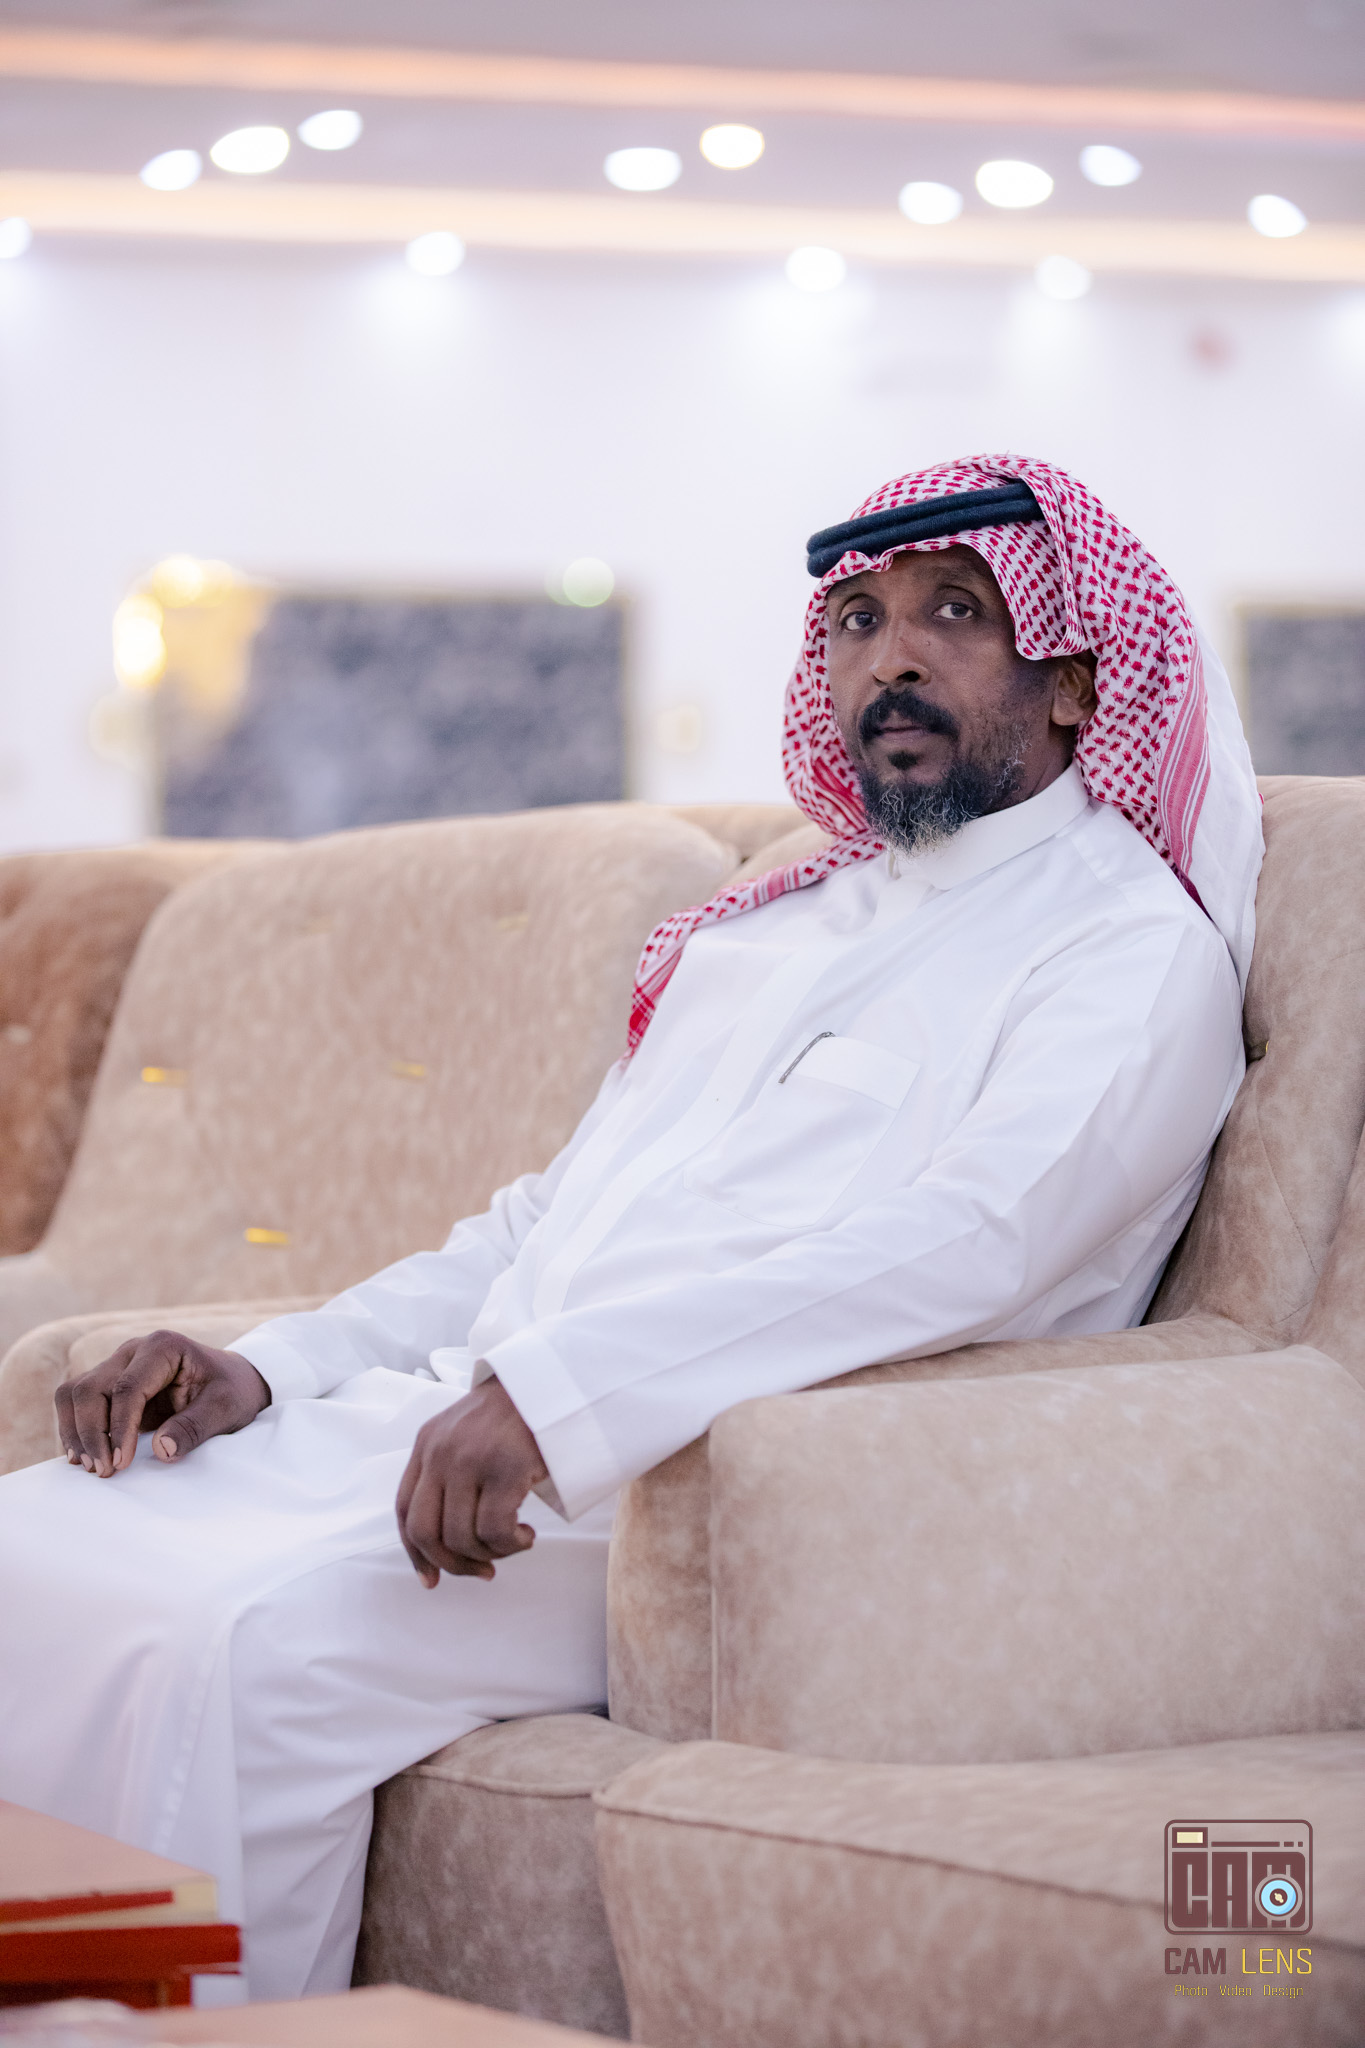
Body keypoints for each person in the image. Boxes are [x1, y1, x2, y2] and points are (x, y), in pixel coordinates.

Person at [0, 456, 1262, 2001]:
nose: (891, 657)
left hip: (706, 1500)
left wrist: (561, 1397)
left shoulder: (1124, 952)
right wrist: (277, 1365)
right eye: (856, 621)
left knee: (237, 1640)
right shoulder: (778, 930)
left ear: (1074, 678)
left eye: (954, 612)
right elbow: (544, 1224)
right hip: (482, 1430)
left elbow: (970, 1245)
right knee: (31, 1544)